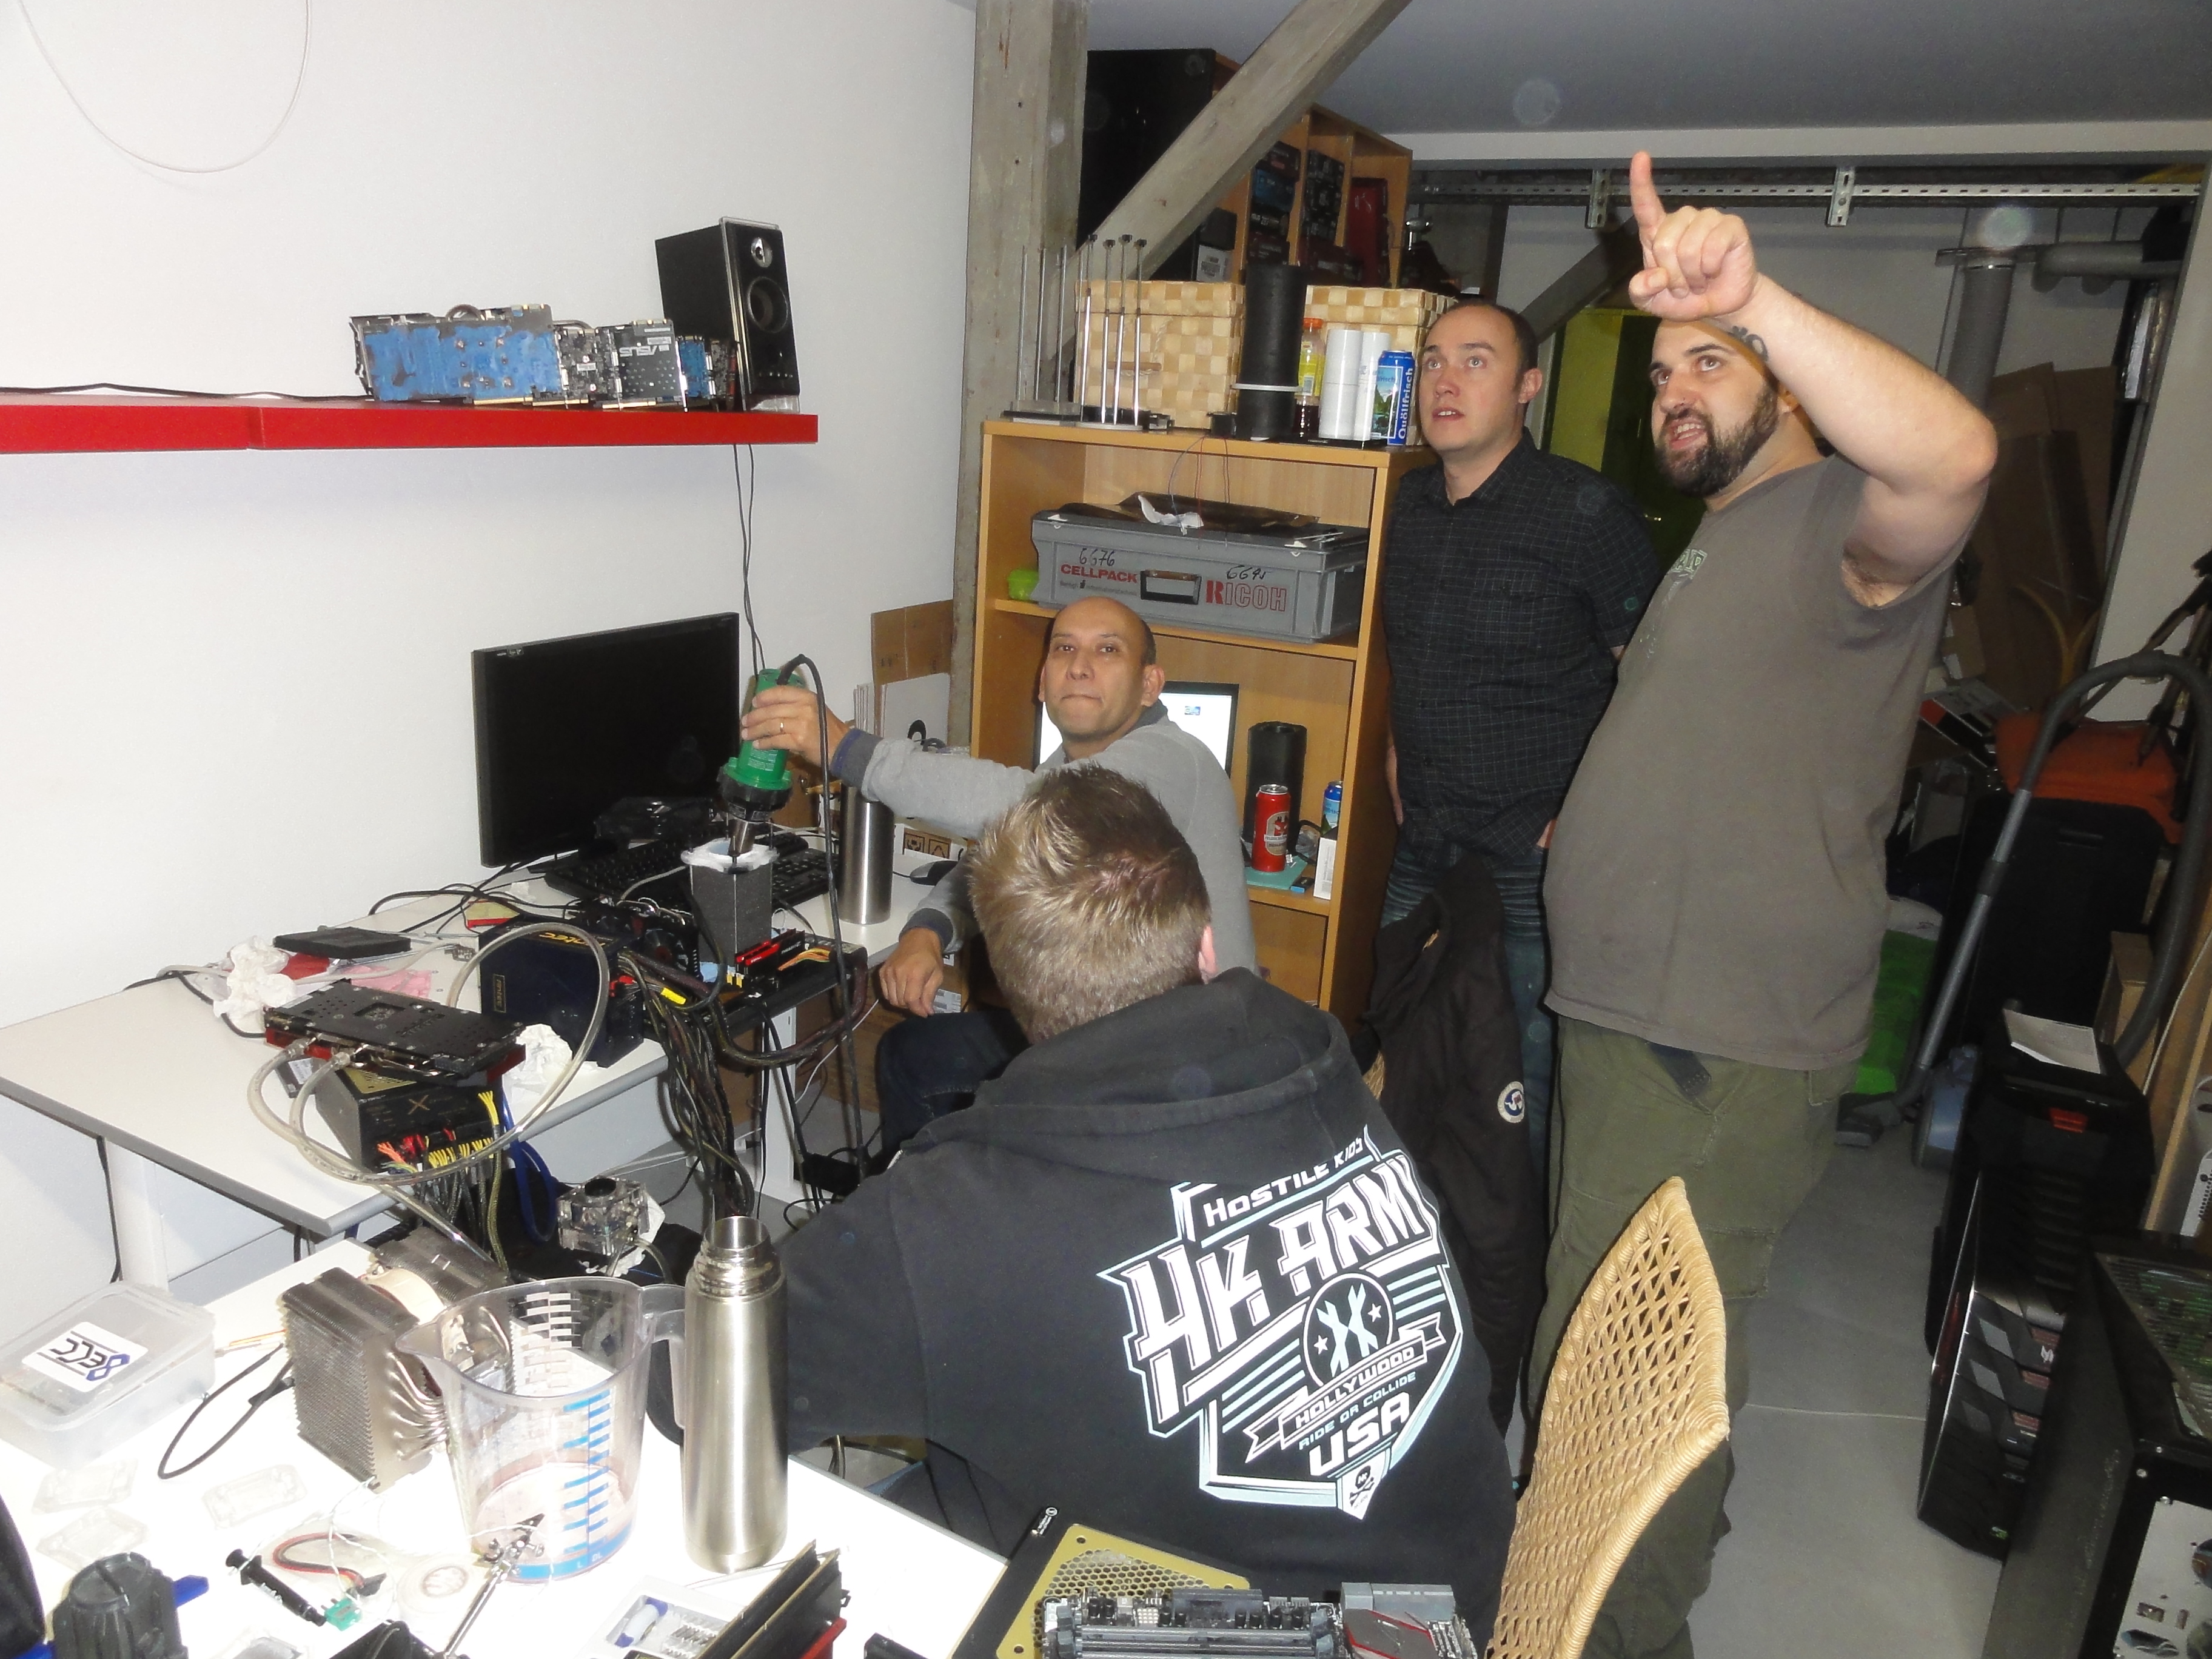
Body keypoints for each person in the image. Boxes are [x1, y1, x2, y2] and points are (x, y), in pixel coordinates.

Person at [1532, 154, 2000, 1657]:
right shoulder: (1730, 530)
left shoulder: (1838, 519)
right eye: (1663, 370)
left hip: (1706, 1043)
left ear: (1789, 383)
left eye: (1710, 363)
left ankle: (1612, 1638)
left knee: (1627, 1385)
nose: (1675, 391)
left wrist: (1760, 300)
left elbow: (1959, 458)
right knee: (1618, 1357)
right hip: (1645, 1019)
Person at [780, 767, 1517, 1624]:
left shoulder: (944, 1219)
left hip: (1224, 1633)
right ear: (1205, 946)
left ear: (1009, 994)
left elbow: (713, 1389)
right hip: (1448, 1613)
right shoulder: (1325, 1069)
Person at [740, 595, 1254, 1158]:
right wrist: (929, 930)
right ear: (1043, 683)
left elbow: (1036, 809)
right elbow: (1003, 854)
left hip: (1183, 1059)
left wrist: (847, 749)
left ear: (1150, 684)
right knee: (913, 1055)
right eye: (1064, 649)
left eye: (1108, 650)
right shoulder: (1065, 769)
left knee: (999, 1102)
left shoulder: (1172, 757)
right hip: (1096, 1027)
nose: (1080, 666)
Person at [1380, 298, 1658, 1178]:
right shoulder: (1407, 504)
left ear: (1527, 386)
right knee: (1401, 1041)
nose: (1446, 380)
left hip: (1529, 852)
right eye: (1432, 360)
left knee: (1524, 1082)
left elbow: (1653, 683)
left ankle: (1520, 1253)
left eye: (1476, 361)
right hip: (1424, 838)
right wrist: (1393, 747)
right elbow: (1407, 652)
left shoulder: (1586, 514)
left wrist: (1585, 813)